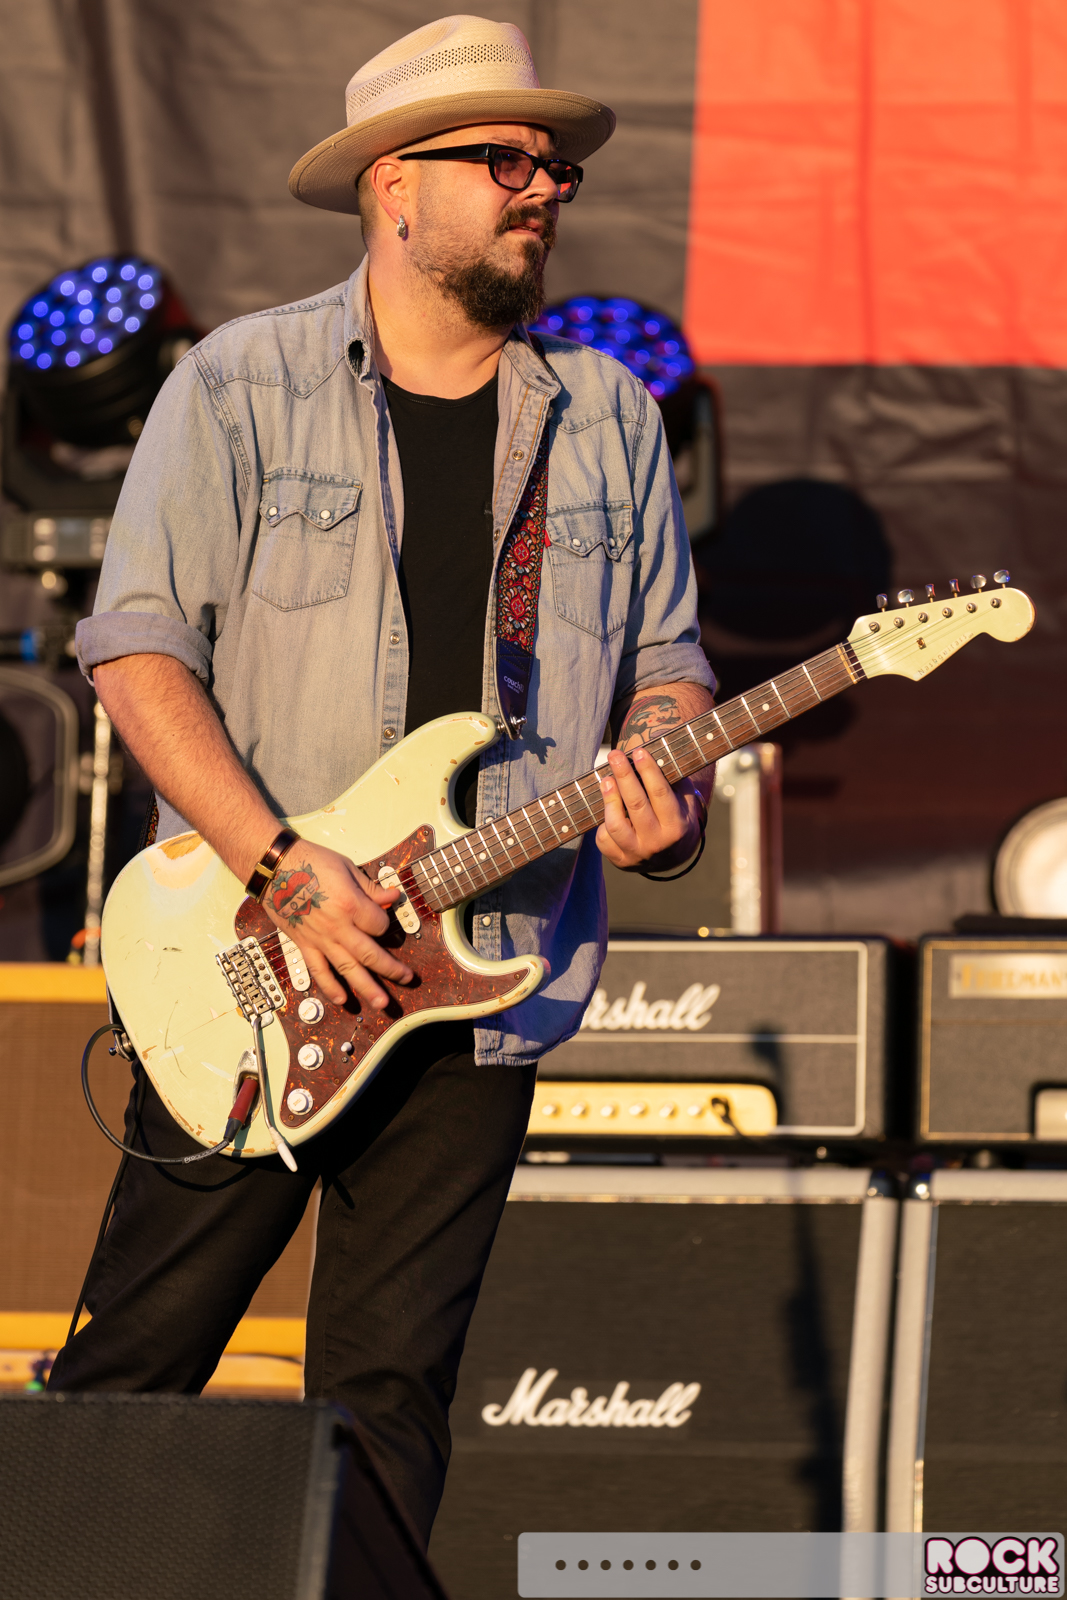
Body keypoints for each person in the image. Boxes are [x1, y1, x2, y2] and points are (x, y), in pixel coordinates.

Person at [50, 14, 716, 1542]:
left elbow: (667, 669)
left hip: (483, 980)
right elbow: (136, 655)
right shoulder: (239, 384)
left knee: (388, 1409)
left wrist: (663, 801)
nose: (543, 190)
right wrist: (284, 868)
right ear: (393, 187)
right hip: (259, 961)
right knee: (129, 1376)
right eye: (505, 162)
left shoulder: (608, 417)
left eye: (553, 169)